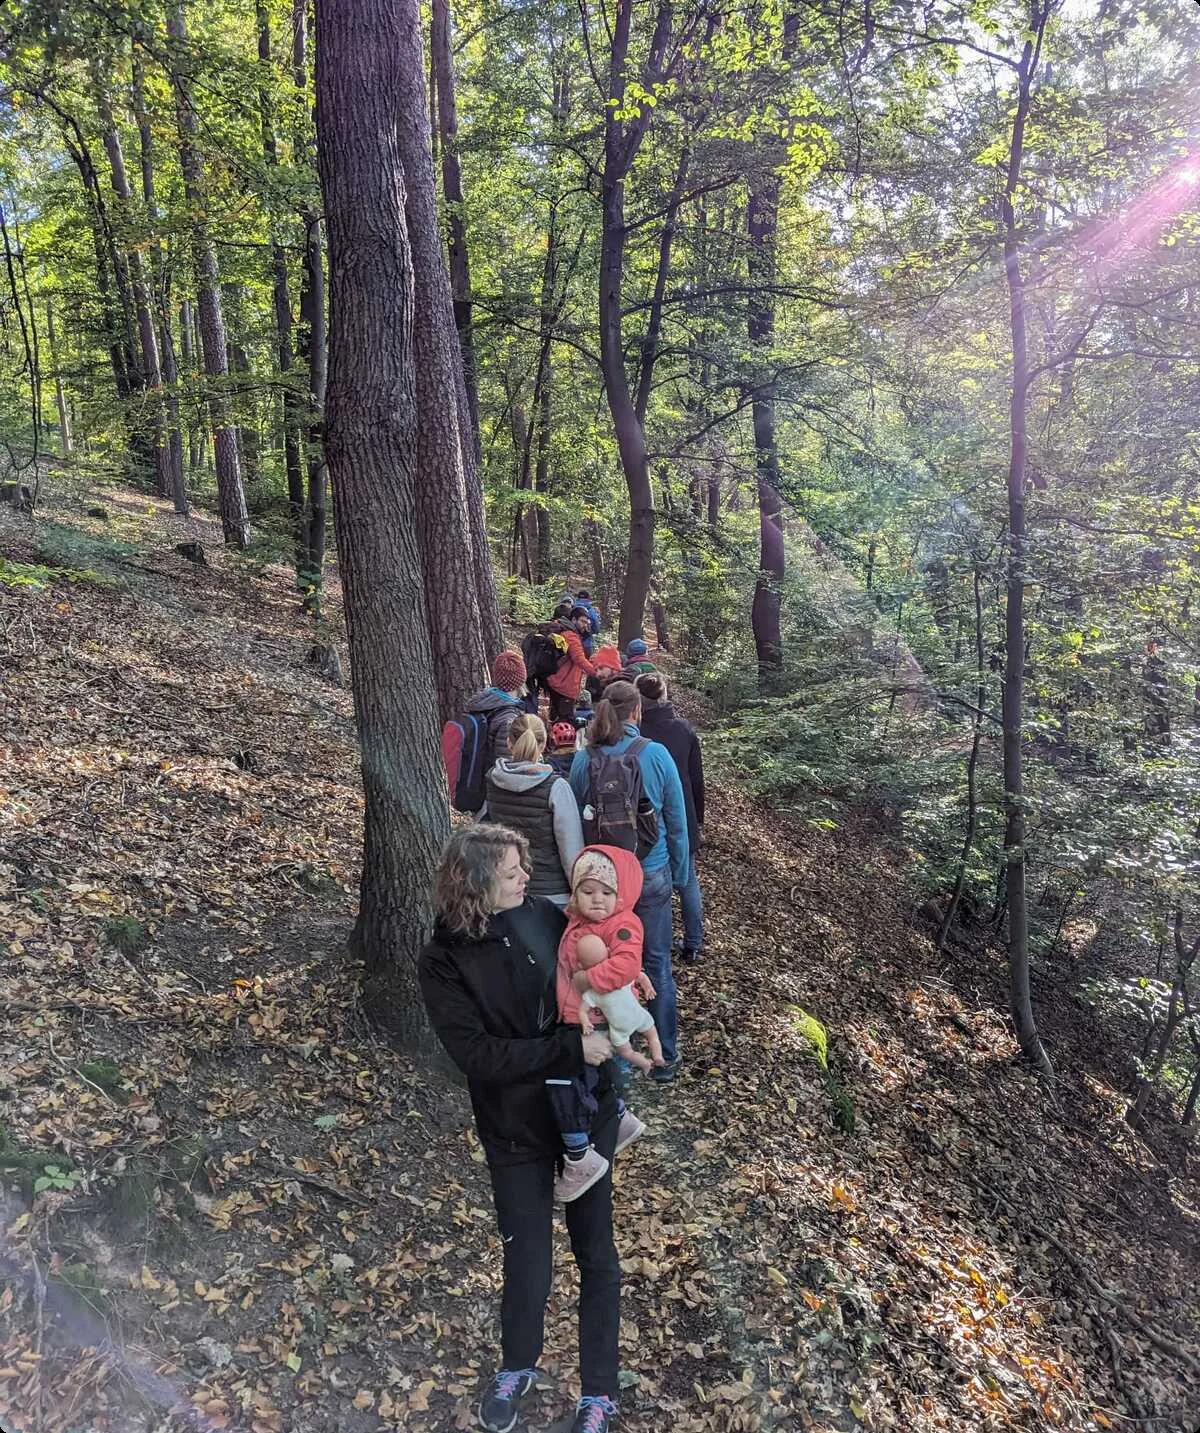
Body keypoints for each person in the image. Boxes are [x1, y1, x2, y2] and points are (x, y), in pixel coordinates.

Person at [419, 826, 623, 1433]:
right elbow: (477, 1056)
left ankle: (600, 1393)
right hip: (513, 1126)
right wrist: (565, 1048)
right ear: (478, 884)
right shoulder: (444, 959)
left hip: (585, 1114)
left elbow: (600, 965)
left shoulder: (546, 916)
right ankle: (517, 1367)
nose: (525, 879)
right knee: (528, 1255)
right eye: (511, 873)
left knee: (595, 1251)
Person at [569, 681, 688, 1082]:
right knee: (656, 963)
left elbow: (576, 816)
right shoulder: (656, 755)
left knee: (604, 966)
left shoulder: (586, 759)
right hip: (650, 873)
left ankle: (615, 1064)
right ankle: (664, 1058)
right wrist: (680, 873)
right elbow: (677, 821)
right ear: (636, 712)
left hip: (604, 883)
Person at [549, 847, 658, 1200]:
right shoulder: (581, 920)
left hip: (595, 1017)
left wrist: (588, 981)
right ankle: (620, 1115)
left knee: (562, 1080)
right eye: (587, 891)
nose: (596, 900)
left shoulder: (624, 923)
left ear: (621, 894)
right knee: (590, 1076)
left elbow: (625, 965)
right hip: (579, 1014)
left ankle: (579, 1155)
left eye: (606, 892)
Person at [636, 673, 706, 964]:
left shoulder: (636, 732)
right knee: (687, 880)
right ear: (664, 695)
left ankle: (648, 944)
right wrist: (698, 819)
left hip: (644, 816)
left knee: (646, 880)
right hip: (683, 813)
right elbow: (696, 779)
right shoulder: (683, 730)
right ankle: (693, 943)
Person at [483, 714, 583, 908]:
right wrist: (579, 892)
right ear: (544, 743)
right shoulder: (557, 787)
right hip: (552, 895)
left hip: (507, 892)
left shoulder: (492, 780)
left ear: (509, 743)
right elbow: (571, 849)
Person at [462, 651, 528, 773]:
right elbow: (506, 764)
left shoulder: (483, 702)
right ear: (521, 680)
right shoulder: (509, 719)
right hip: (493, 784)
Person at [545, 606, 598, 725]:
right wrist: (597, 673)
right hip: (565, 686)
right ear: (574, 620)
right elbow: (579, 659)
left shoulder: (567, 633)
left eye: (587, 622)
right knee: (565, 722)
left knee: (556, 718)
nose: (586, 625)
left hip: (558, 682)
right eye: (583, 621)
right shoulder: (571, 636)